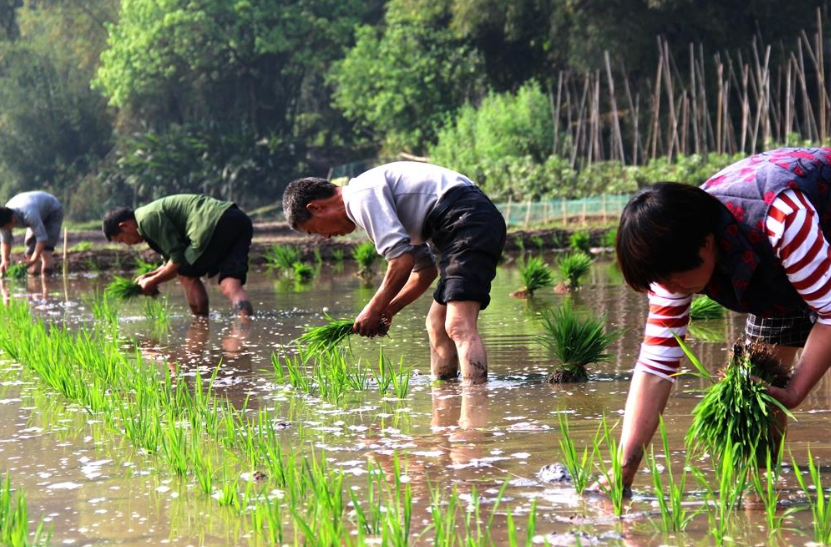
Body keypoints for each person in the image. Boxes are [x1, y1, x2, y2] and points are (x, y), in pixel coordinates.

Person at [611, 147, 831, 489]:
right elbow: (656, 368)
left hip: (815, 222)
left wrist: (797, 392)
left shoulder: (781, 218)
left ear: (706, 243)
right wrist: (623, 469)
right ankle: (759, 496)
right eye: (661, 281)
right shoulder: (676, 256)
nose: (670, 289)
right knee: (759, 395)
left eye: (672, 277)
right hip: (773, 268)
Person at [282, 161, 506, 384]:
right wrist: (390, 308)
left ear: (316, 208)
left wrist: (373, 308)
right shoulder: (368, 199)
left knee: (458, 325)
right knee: (436, 324)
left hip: (466, 220)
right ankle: (444, 396)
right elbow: (424, 271)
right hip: (453, 226)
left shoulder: (361, 197)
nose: (326, 237)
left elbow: (401, 262)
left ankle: (475, 405)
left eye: (314, 230)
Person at [102, 194, 254, 317]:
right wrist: (149, 276)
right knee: (230, 284)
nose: (127, 244)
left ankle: (200, 323)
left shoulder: (147, 219)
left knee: (185, 274)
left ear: (124, 226)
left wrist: (152, 281)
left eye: (122, 240)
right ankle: (245, 323)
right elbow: (169, 262)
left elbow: (177, 261)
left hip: (211, 223)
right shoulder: (146, 218)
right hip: (237, 219)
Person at [0, 191, 64, 275]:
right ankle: (34, 281)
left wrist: (33, 260)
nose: (7, 230)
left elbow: (42, 239)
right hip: (37, 212)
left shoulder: (29, 214)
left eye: (7, 227)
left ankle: (47, 279)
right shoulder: (3, 217)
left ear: (13, 218)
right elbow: (6, 241)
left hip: (52, 212)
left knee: (45, 251)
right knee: (30, 252)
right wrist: (5, 260)